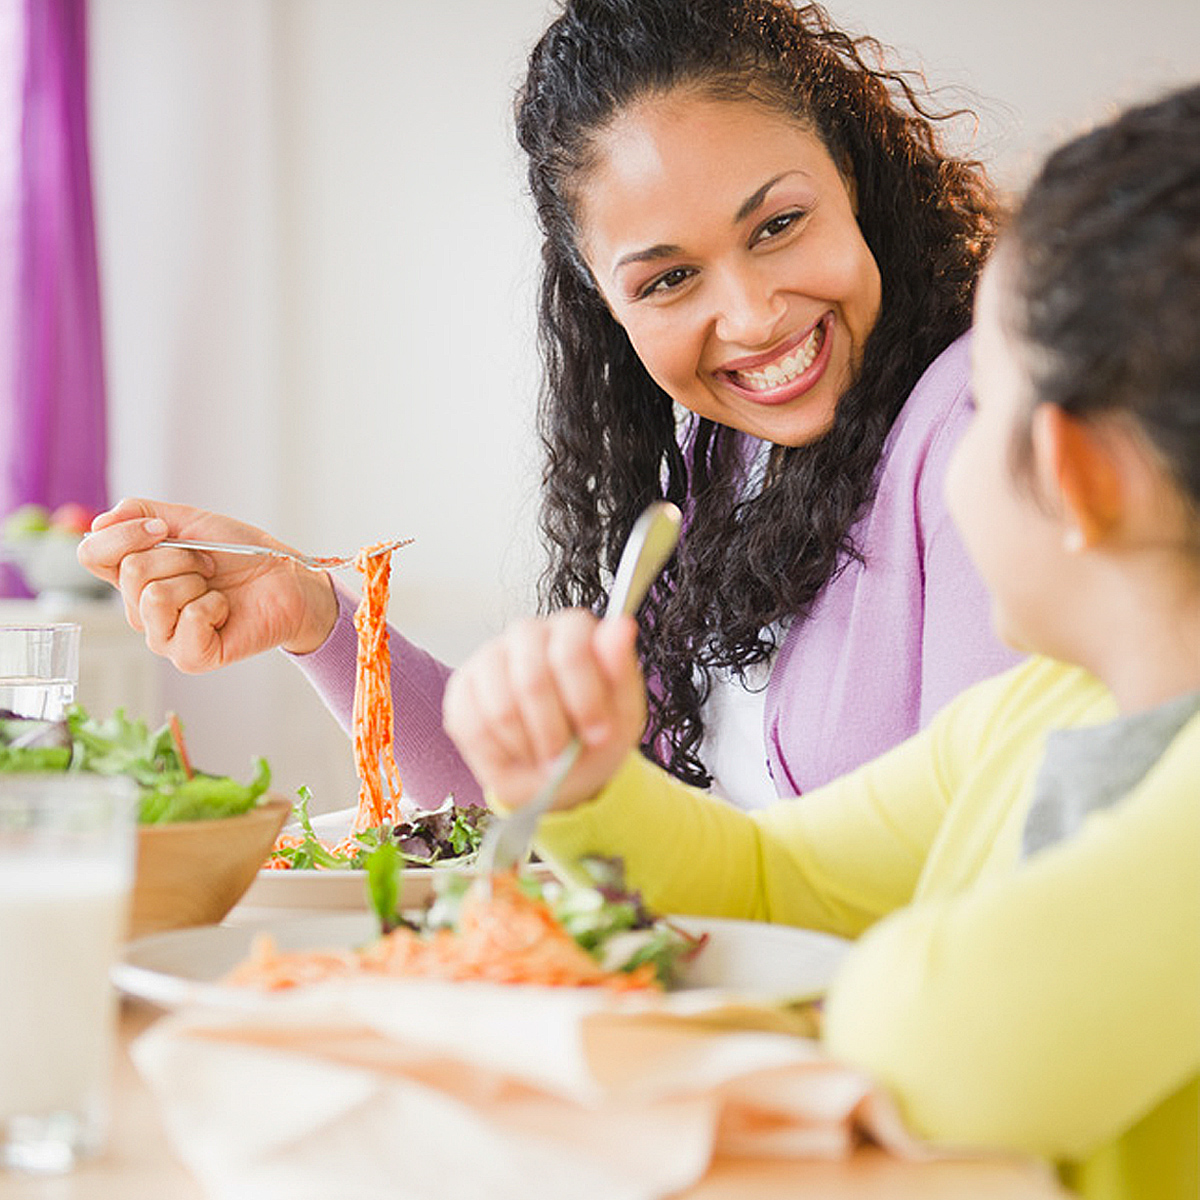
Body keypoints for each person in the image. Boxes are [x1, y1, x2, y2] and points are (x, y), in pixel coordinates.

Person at [441, 83, 1200, 1200]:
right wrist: (593, 782)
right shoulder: (1044, 707)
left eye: (982, 399)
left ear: (1077, 476)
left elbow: (928, 1044)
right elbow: (773, 873)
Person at [79, 0, 1017, 810]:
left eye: (778, 225)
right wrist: (319, 616)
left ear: (850, 176)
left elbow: (980, 855)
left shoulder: (977, 423)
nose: (752, 317)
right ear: (606, 307)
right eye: (669, 280)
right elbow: (570, 805)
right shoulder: (721, 452)